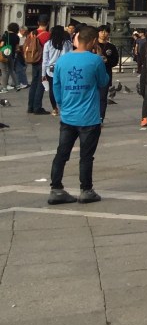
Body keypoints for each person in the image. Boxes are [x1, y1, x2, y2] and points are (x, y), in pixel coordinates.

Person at [47, 25, 108, 205]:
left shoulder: (62, 60)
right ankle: (86, 190)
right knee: (86, 156)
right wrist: (100, 59)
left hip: (68, 115)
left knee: (62, 153)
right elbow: (103, 82)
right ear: (93, 41)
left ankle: (56, 189)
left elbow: (56, 85)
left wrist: (61, 104)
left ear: (77, 40)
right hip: (89, 117)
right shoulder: (95, 60)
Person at [42, 25, 70, 116]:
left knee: (53, 89)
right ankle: (64, 107)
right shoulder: (67, 43)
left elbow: (45, 60)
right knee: (64, 89)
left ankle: (54, 108)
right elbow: (70, 56)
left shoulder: (48, 44)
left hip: (51, 70)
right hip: (64, 69)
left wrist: (43, 74)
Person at [25, 15, 50, 114]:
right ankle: (37, 107)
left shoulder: (32, 33)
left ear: (38, 23)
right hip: (43, 61)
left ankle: (30, 107)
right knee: (41, 84)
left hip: (34, 60)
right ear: (47, 23)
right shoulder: (47, 35)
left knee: (34, 84)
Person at [95, 25, 119, 120]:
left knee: (102, 97)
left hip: (105, 74)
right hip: (93, 74)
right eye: (101, 31)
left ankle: (100, 117)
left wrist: (107, 60)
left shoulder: (111, 47)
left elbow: (115, 61)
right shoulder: (93, 45)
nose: (103, 34)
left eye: (105, 32)